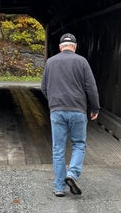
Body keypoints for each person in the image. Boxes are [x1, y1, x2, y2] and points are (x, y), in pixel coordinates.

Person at [40, 33, 100, 197]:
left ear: (60, 47)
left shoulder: (51, 62)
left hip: (57, 110)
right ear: (74, 46)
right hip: (77, 110)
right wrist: (95, 108)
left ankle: (59, 187)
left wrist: (54, 101)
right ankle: (72, 174)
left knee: (58, 148)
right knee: (79, 144)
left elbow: (44, 87)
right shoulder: (82, 61)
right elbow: (91, 88)